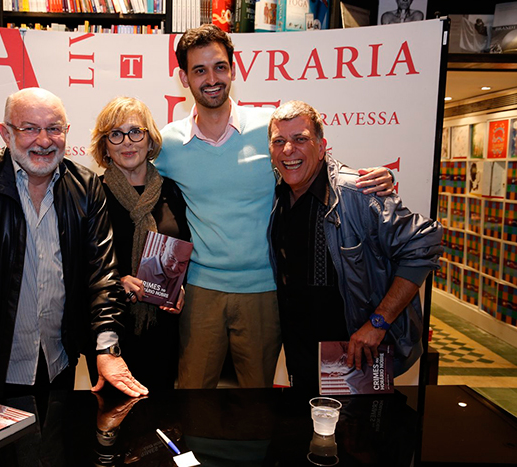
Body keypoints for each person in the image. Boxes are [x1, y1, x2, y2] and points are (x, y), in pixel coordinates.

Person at [154, 24, 395, 389]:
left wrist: (377, 180)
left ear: (233, 70)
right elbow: (138, 188)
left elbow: (317, 163)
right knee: (193, 395)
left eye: (219, 67)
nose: (212, 78)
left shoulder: (270, 125)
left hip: (265, 291)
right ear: (183, 78)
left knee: (257, 399)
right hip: (200, 290)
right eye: (199, 70)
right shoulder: (169, 142)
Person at [0, 88, 148, 421]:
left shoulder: (86, 187)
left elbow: (102, 276)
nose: (43, 140)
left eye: (54, 128)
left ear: (66, 133)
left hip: (57, 364)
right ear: (6, 133)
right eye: (29, 128)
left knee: (55, 451)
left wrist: (107, 348)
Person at [267, 100, 443, 392]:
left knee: (361, 434)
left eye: (300, 139)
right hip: (300, 354)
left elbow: (424, 241)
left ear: (322, 147)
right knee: (305, 432)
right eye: (279, 141)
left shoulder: (357, 192)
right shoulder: (275, 195)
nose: (288, 150)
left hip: (356, 355)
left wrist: (378, 323)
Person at [88, 96, 191, 389]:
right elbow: (76, 263)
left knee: (162, 416)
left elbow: (187, 246)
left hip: (165, 328)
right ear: (105, 145)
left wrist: (180, 286)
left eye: (136, 131)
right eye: (115, 134)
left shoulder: (172, 191)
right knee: (112, 420)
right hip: (111, 328)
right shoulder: (90, 194)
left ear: (150, 140)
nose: (127, 142)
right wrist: (117, 281)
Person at [138, 236, 191, 308]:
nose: (174, 268)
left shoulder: (185, 272)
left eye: (182, 263)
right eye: (171, 258)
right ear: (163, 249)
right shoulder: (142, 268)